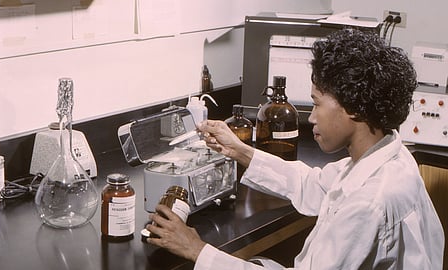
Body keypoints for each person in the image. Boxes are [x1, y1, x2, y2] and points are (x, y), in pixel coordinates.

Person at [146, 28, 444, 269]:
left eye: (316, 103)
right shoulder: (390, 158)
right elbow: (315, 185)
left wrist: (198, 250)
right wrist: (241, 151)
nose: (311, 117)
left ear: (353, 107)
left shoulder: (369, 203)